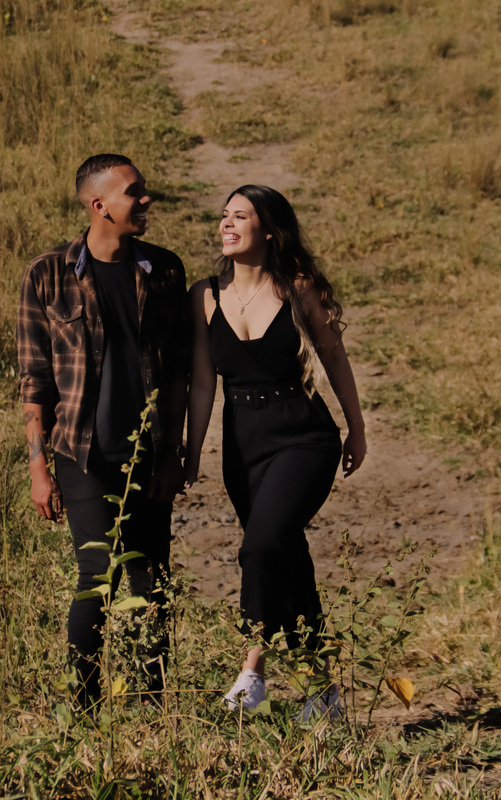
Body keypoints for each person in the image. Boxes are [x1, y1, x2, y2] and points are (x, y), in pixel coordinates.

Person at [184, 185, 367, 720]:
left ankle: (252, 670)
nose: (227, 224)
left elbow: (335, 357)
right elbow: (203, 383)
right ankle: (322, 691)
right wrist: (192, 452)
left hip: (303, 437)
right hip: (243, 447)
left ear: (269, 230)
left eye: (241, 216)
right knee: (286, 557)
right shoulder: (204, 296)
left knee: (262, 546)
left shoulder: (298, 288)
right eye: (224, 215)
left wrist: (356, 428)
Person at [17, 154, 189, 708]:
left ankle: (151, 704)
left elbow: (178, 374)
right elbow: (34, 379)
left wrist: (173, 454)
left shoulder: (165, 271)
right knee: (96, 576)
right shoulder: (47, 275)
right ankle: (85, 705)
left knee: (151, 580)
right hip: (81, 453)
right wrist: (38, 467)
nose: (146, 200)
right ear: (99, 205)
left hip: (148, 451)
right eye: (134, 192)